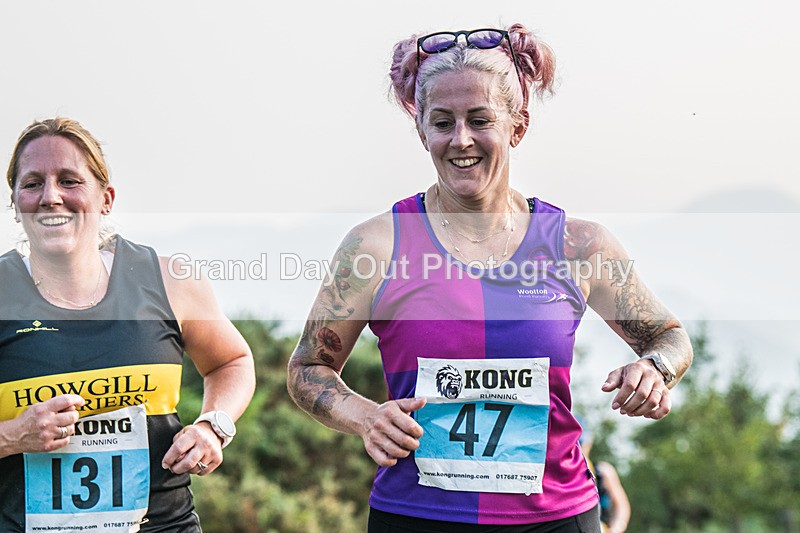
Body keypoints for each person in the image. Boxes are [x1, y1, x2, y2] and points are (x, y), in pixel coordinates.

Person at [287, 24, 693, 532]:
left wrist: (654, 368)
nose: (460, 140)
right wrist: (365, 416)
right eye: (442, 122)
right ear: (421, 132)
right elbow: (307, 369)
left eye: (479, 120)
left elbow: (669, 337)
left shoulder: (579, 246)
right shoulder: (375, 245)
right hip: (416, 515)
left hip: (557, 517)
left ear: (517, 127)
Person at [0, 117, 256, 532]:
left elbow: (232, 361)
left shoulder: (170, 280)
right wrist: (14, 435)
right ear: (15, 202)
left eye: (69, 180)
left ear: (106, 198)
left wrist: (214, 426)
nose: (50, 197)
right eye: (32, 184)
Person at [578, 421, 630, 533]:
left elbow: (622, 506)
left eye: (581, 443)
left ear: (589, 443)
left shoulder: (603, 471)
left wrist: (617, 528)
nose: (579, 449)